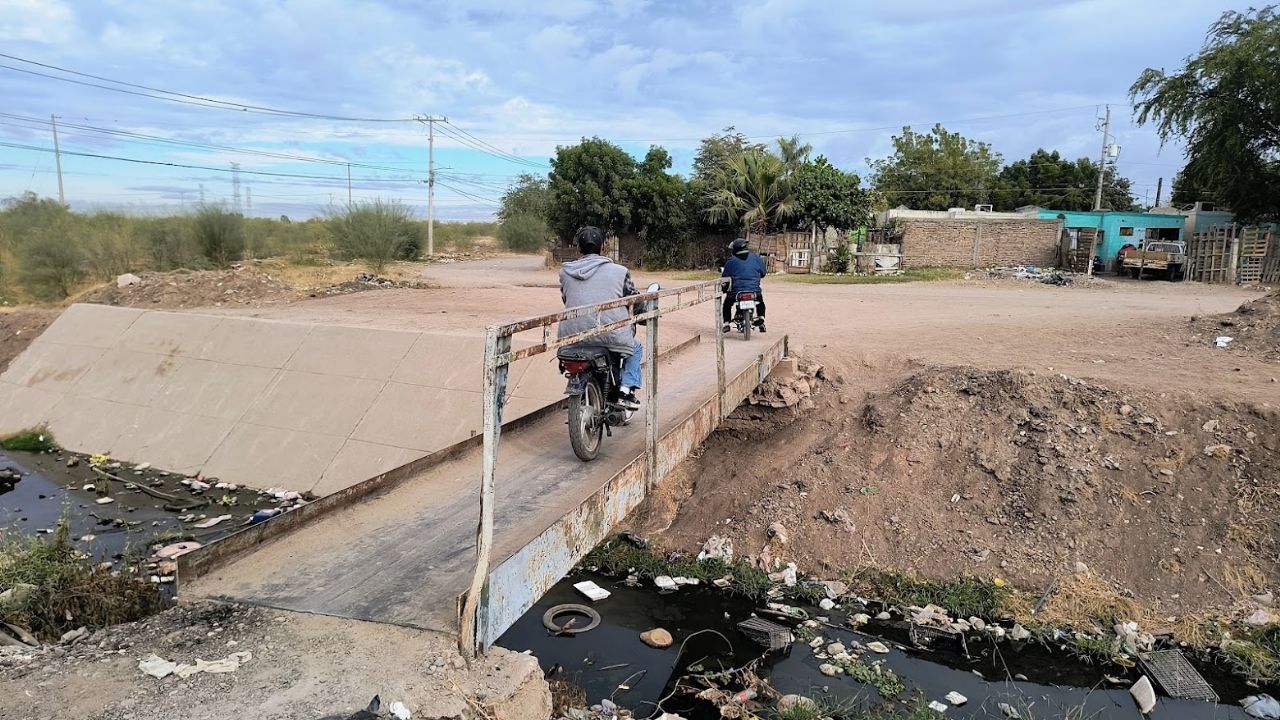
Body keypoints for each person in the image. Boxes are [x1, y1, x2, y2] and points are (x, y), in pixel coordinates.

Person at [558, 226, 643, 410]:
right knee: (636, 348)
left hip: (572, 334)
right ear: (603, 246)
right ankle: (626, 390)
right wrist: (643, 309)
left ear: (578, 248)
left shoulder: (565, 272)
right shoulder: (620, 271)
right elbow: (633, 298)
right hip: (609, 334)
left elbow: (566, 299)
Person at [721, 237, 767, 333]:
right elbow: (763, 273)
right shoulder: (756, 258)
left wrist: (724, 289)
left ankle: (726, 323)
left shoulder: (731, 261)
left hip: (736, 292)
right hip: (754, 290)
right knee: (760, 301)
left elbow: (725, 278)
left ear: (735, 249)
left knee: (727, 304)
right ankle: (761, 318)